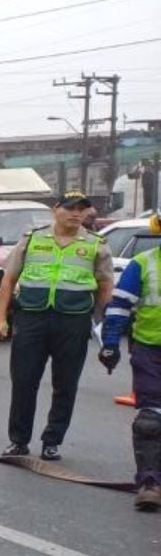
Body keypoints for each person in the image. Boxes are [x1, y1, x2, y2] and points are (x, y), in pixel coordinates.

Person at [0, 190, 112, 461]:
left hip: (74, 320)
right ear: (55, 209)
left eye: (81, 209)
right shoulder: (32, 239)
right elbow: (9, 281)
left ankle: (52, 441)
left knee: (66, 383)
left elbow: (105, 286)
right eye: (69, 208)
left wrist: (103, 325)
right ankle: (19, 440)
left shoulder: (97, 244)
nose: (75, 214)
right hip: (32, 317)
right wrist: (0, 320)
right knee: (24, 381)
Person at [99, 213, 161, 511]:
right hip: (151, 351)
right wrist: (111, 344)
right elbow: (120, 306)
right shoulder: (144, 263)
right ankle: (150, 483)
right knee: (150, 420)